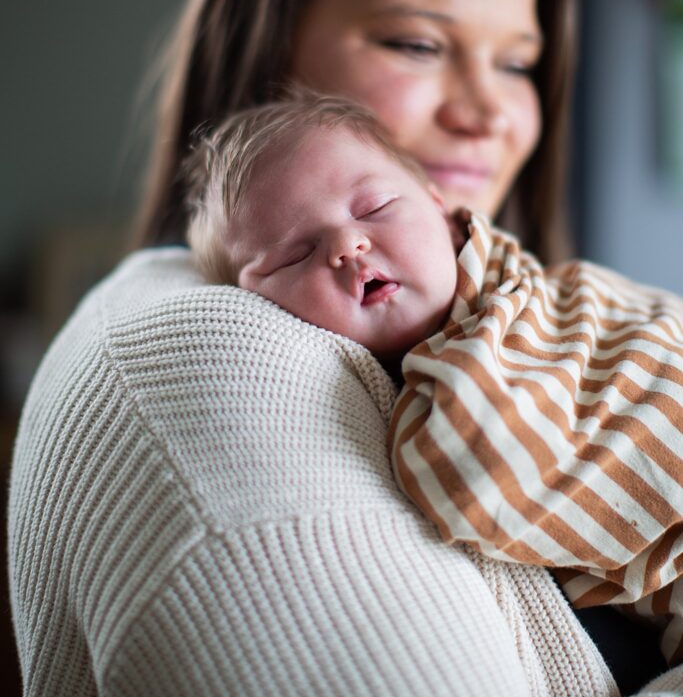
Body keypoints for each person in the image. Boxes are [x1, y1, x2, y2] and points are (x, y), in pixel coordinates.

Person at [9, 0, 683, 697]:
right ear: (270, 42)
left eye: (520, 62)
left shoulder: (522, 322)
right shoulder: (203, 359)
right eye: (415, 43)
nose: (491, 111)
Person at [185, 90, 683, 666]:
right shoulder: (435, 372)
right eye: (293, 256)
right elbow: (480, 473)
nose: (349, 246)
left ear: (444, 212)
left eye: (373, 208)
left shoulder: (525, 306)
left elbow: (477, 479)